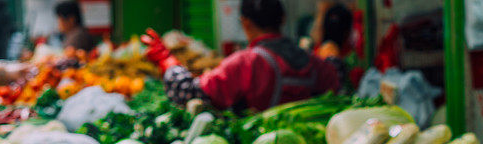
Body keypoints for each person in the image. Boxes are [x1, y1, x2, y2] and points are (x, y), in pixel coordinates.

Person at [143, 0, 339, 112]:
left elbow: (189, 92)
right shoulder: (311, 61)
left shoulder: (247, 63)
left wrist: (167, 60)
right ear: (283, 19)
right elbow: (337, 76)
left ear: (245, 23)